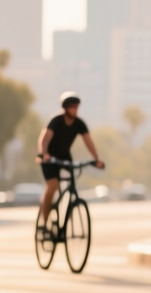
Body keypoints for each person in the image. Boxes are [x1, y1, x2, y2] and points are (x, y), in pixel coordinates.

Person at [37, 92, 104, 235]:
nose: (75, 109)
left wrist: (96, 159)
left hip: (65, 157)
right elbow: (44, 140)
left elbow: (88, 141)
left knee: (72, 183)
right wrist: (45, 154)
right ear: (65, 108)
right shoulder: (55, 121)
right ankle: (44, 223)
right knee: (53, 185)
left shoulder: (79, 124)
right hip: (49, 159)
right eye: (72, 107)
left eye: (76, 107)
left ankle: (66, 212)